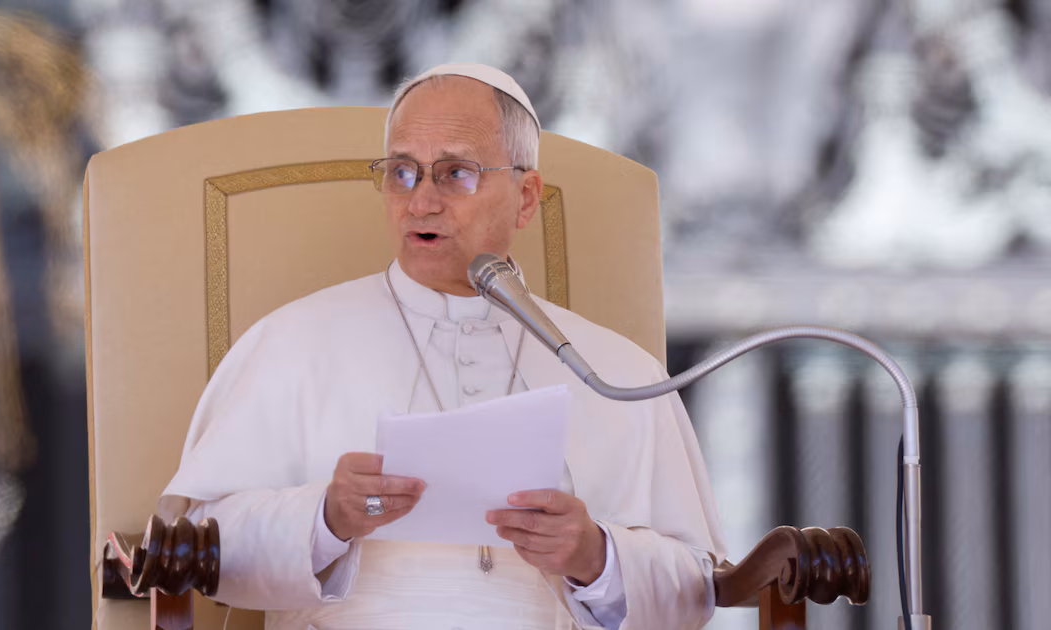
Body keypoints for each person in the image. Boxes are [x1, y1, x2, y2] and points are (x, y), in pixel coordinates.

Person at [159, 62, 727, 630]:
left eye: (456, 173)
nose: (421, 202)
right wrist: (325, 517)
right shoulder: (291, 343)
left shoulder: (613, 368)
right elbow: (195, 548)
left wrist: (595, 557)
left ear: (527, 198)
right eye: (402, 172)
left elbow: (694, 590)